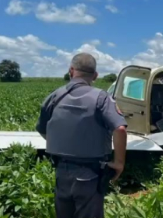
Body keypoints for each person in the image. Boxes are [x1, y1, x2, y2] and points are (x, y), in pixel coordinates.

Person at [35, 53, 128, 218]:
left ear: (71, 71)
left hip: (61, 173)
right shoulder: (101, 98)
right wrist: (119, 163)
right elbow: (120, 129)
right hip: (90, 175)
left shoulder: (54, 96)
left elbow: (42, 129)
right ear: (95, 75)